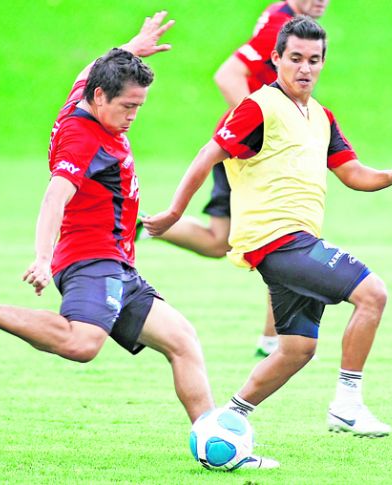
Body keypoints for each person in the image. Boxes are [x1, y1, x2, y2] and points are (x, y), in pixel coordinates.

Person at [0, 11, 278, 469]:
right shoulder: (81, 138)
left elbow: (91, 67)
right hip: (90, 258)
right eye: (128, 106)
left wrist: (134, 46)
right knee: (83, 344)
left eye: (140, 106)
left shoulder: (86, 94)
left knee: (182, 339)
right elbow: (55, 195)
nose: (133, 116)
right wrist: (42, 258)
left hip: (118, 261)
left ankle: (216, 449)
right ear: (101, 98)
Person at [144, 15, 392, 438]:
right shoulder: (258, 107)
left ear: (323, 62)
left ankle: (226, 420)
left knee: (296, 349)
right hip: (276, 241)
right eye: (295, 58)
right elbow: (206, 155)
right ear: (275, 59)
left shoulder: (322, 117)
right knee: (373, 293)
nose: (304, 68)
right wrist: (175, 213)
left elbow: (352, 173)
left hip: (297, 240)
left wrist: (389, 176)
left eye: (313, 59)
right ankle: (347, 404)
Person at [140, 0, 331, 358]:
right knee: (288, 238)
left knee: (219, 241)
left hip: (242, 148)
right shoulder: (281, 24)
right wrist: (266, 127)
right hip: (249, 153)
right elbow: (227, 74)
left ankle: (139, 226)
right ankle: (273, 342)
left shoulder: (285, 19)